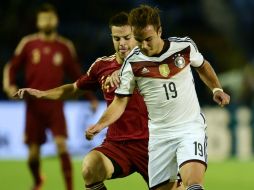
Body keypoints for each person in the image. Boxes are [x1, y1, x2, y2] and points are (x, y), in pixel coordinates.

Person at [13, 11, 183, 190]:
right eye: (117, 39)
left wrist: (130, 71)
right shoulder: (102, 66)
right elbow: (73, 89)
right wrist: (42, 93)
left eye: (127, 37)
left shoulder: (155, 61)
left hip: (154, 144)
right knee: (90, 167)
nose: (122, 44)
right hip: (118, 145)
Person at [85, 5, 231, 190]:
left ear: (159, 31)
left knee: (193, 184)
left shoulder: (184, 47)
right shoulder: (132, 64)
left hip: (189, 129)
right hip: (159, 137)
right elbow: (120, 101)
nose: (144, 46)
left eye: (148, 39)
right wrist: (100, 124)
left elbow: (202, 65)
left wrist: (216, 89)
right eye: (138, 40)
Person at [3, 3, 82, 190]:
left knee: (62, 145)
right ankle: (38, 179)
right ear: (38, 21)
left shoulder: (64, 46)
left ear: (56, 20)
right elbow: (11, 67)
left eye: (50, 17)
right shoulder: (28, 43)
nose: (47, 21)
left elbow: (78, 75)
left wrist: (91, 98)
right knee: (32, 156)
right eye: (43, 18)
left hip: (55, 104)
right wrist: (10, 86)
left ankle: (69, 188)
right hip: (33, 106)